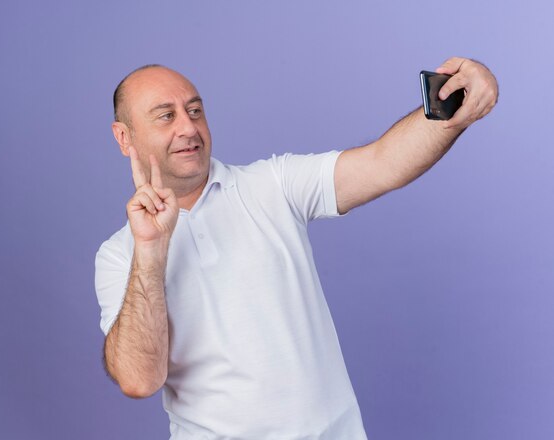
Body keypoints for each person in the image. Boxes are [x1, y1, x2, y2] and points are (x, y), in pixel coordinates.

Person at [95, 60, 498, 439]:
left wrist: (452, 111)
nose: (188, 127)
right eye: (166, 116)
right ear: (124, 137)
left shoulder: (273, 185)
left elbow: (383, 163)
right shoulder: (118, 255)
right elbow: (139, 379)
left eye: (195, 111)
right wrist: (149, 250)